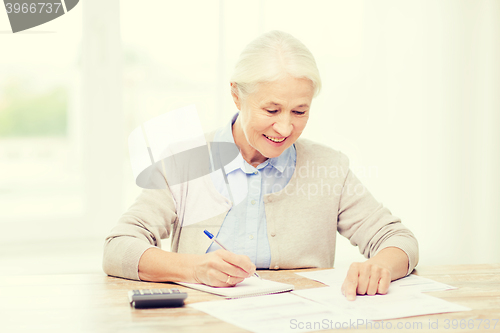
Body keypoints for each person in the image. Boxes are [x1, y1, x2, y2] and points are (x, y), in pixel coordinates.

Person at [103, 30, 418, 301]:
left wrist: (381, 267)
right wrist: (194, 268)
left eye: (299, 112)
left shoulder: (328, 166)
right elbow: (118, 249)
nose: (284, 128)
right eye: (271, 109)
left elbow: (398, 239)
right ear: (237, 96)